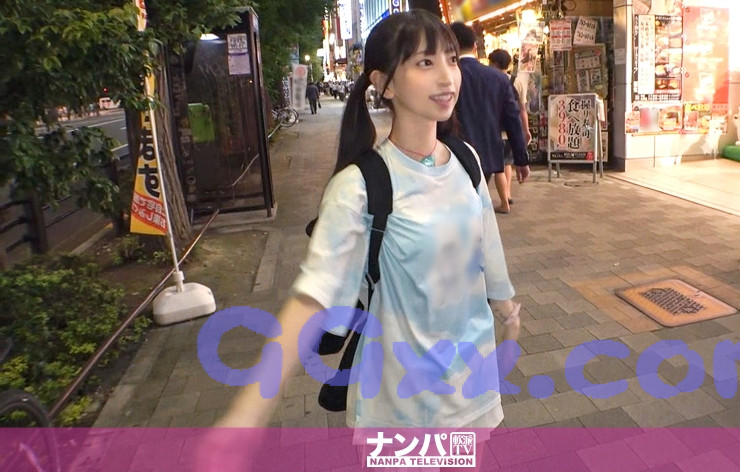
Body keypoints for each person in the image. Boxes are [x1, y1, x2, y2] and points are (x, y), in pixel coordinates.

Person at [197, 10, 522, 469]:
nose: (447, 76)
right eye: (424, 63)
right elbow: (312, 298)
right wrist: (248, 413)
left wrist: (506, 310)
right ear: (383, 83)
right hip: (400, 401)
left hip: (473, 381)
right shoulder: (360, 185)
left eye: (451, 59)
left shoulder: (466, 160)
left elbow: (488, 246)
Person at [450, 22, 530, 214]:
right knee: (475, 201)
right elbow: (513, 120)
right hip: (488, 152)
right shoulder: (498, 78)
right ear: (475, 47)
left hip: (452, 153)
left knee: (458, 208)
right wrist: (521, 159)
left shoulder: (447, 75)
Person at [488, 49, 531, 213]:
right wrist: (525, 130)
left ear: (495, 64)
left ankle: (504, 202)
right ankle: (508, 194)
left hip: (495, 130)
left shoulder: (490, 80)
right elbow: (522, 109)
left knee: (498, 167)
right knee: (508, 164)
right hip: (512, 131)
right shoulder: (517, 82)